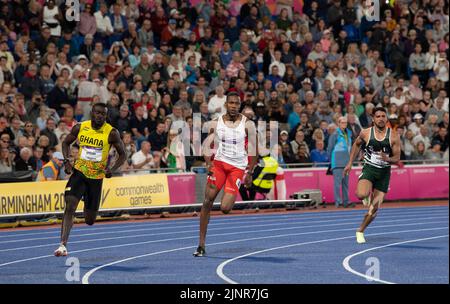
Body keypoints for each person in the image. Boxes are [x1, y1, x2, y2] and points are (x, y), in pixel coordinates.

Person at [54, 103, 126, 256]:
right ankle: (62, 245)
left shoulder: (111, 132)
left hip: (96, 178)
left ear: (106, 116)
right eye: (97, 113)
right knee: (70, 205)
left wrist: (111, 170)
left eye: (103, 114)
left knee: (90, 220)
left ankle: (87, 198)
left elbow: (123, 154)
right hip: (79, 173)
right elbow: (66, 143)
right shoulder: (80, 127)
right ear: (92, 112)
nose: (100, 116)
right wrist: (67, 161)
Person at [194, 92, 258, 257]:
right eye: (231, 103)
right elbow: (207, 144)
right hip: (220, 165)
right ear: (226, 105)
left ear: (240, 105)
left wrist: (250, 171)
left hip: (237, 168)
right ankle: (201, 245)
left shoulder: (248, 124)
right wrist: (208, 162)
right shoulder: (217, 123)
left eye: (237, 104)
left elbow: (254, 150)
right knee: (207, 201)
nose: (234, 106)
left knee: (225, 208)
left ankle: (230, 190)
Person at [344, 107, 401, 244]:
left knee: (374, 208)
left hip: (384, 174)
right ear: (373, 119)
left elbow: (397, 158)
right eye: (378, 116)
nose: (381, 118)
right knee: (360, 195)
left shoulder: (393, 135)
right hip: (369, 169)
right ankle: (366, 196)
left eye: (383, 116)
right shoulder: (365, 133)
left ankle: (360, 231)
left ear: (386, 118)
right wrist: (350, 163)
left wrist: (388, 159)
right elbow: (356, 145)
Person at [328, 116, 353, 208]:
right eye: (342, 123)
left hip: (346, 162)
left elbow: (350, 148)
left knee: (345, 184)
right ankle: (338, 201)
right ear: (338, 124)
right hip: (337, 162)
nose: (344, 124)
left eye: (345, 123)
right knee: (337, 184)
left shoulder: (349, 134)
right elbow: (329, 149)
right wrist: (331, 162)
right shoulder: (334, 134)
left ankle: (346, 201)